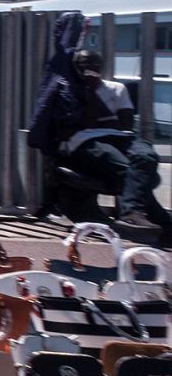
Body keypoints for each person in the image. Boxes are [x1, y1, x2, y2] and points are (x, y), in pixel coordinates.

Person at [55, 50, 172, 242]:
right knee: (124, 169)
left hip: (122, 137)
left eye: (93, 65)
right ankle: (153, 219)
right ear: (75, 68)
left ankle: (132, 210)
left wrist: (95, 121)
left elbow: (125, 123)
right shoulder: (69, 91)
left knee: (146, 157)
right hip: (86, 141)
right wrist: (90, 91)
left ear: (101, 67)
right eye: (83, 65)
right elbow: (75, 126)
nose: (89, 69)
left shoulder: (117, 88)